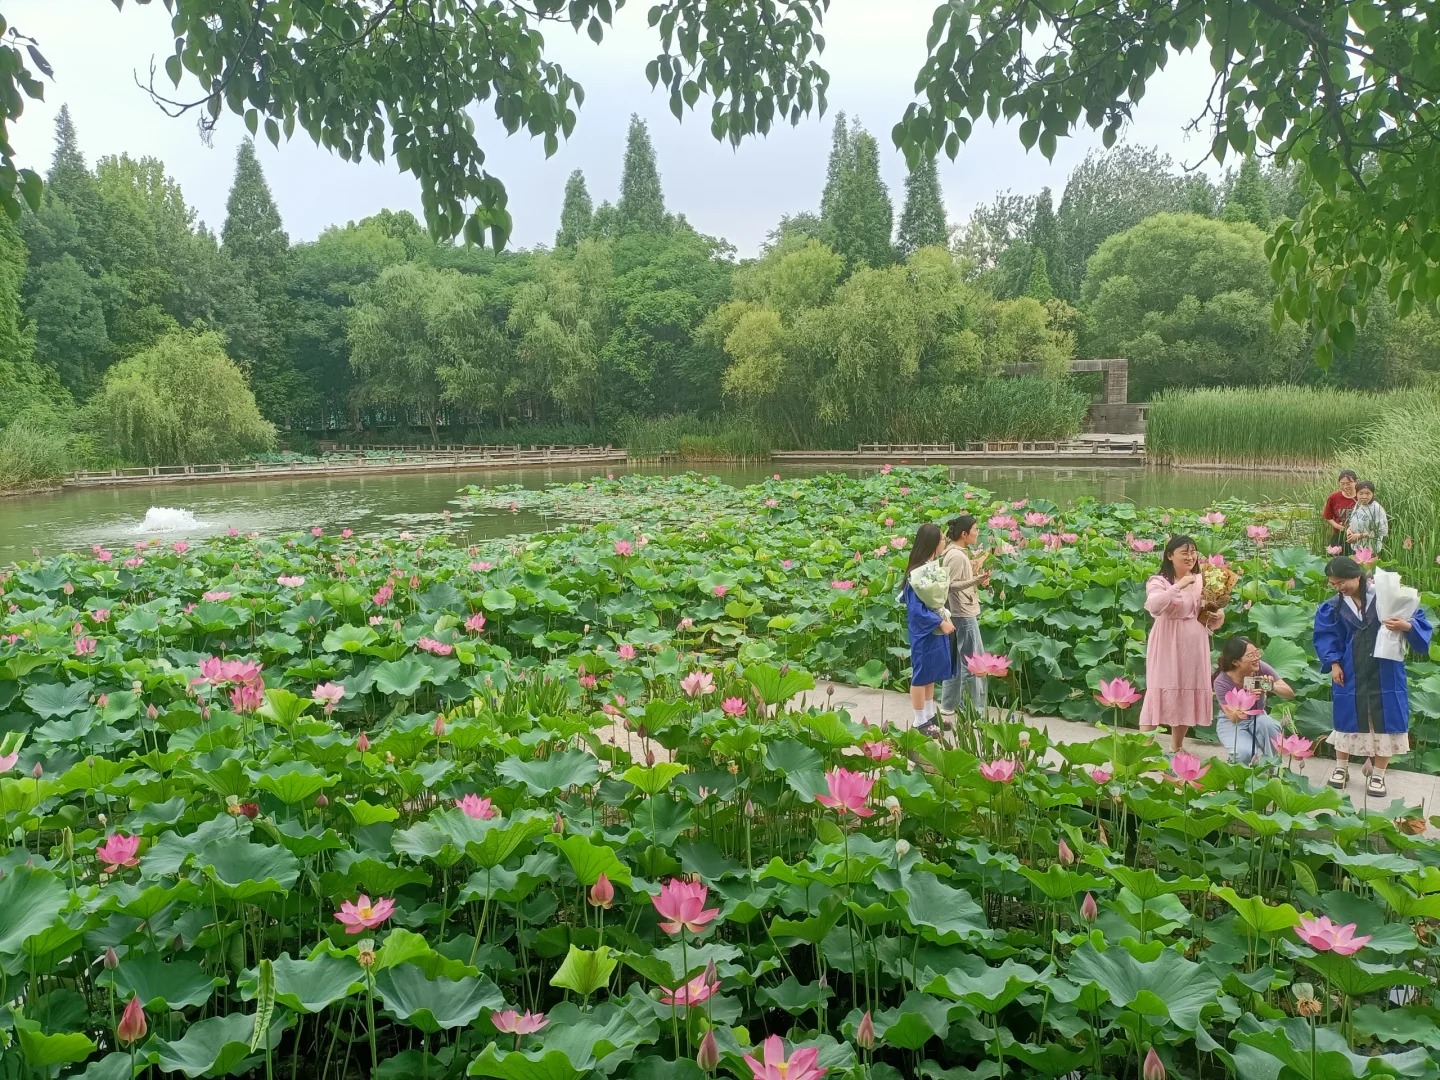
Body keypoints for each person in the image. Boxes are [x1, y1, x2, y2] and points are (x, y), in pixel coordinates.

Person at [1313, 555, 1431, 797]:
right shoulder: (1333, 606)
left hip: (1386, 668)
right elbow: (1327, 636)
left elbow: (1418, 620)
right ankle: (1341, 768)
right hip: (1350, 667)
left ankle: (1378, 775)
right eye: (1333, 584)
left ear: (1357, 576)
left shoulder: (1387, 596)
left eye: (1341, 582)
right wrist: (1334, 663)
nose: (1338, 588)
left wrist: (1406, 626)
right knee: (1347, 718)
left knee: (1385, 720)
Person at [1139, 535, 1225, 752]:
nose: (1190, 557)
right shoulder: (1158, 581)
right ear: (1170, 555)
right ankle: (1143, 749)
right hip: (1167, 641)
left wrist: (1217, 615)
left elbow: (1206, 616)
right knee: (1159, 688)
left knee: (1187, 689)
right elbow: (1153, 606)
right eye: (1184, 553)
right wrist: (1177, 587)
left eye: (1193, 552)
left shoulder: (1202, 580)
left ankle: (1176, 747)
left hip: (1195, 642)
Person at [903, 522, 955, 735]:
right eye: (942, 539)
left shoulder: (930, 568)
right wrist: (939, 622)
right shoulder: (916, 574)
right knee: (921, 674)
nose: (945, 542)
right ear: (933, 543)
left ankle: (930, 715)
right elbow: (916, 610)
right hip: (923, 631)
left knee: (931, 674)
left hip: (933, 629)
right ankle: (919, 722)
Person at [938, 515, 990, 721]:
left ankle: (949, 704)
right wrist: (974, 581)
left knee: (958, 661)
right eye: (975, 529)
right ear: (964, 534)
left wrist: (976, 579)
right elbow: (950, 586)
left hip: (957, 611)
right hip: (963, 613)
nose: (978, 533)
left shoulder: (952, 552)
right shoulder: (957, 556)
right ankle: (975, 711)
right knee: (974, 662)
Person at [1213, 637, 1293, 764]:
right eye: (1250, 655)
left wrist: (1272, 686)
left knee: (1270, 725)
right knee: (1245, 754)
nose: (1256, 658)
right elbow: (1234, 718)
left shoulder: (1260, 667)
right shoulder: (1221, 682)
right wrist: (1248, 699)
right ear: (1235, 662)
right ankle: (1236, 762)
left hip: (1258, 715)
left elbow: (1289, 693)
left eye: (1257, 653)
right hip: (1233, 722)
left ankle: (1271, 766)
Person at [1345, 480, 1389, 553]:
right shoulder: (1358, 504)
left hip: (1370, 550)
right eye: (1361, 493)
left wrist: (1360, 536)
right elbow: (1352, 521)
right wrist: (1349, 530)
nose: (1364, 497)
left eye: (1368, 493)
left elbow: (1382, 531)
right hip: (1356, 548)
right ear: (1356, 493)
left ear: (1373, 494)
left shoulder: (1377, 509)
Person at [1322, 470, 1358, 553]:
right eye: (1342, 484)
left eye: (1348, 483)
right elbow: (1328, 516)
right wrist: (1336, 525)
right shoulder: (1334, 497)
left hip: (1357, 536)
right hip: (1339, 535)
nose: (1345, 486)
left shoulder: (1362, 497)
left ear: (1356, 482)